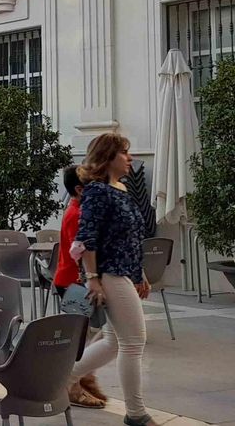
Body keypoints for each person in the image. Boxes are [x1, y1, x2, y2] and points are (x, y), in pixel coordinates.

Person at [68, 133, 154, 426]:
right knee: (133, 342)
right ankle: (136, 413)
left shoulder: (121, 189)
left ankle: (67, 377)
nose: (130, 158)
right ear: (107, 158)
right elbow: (87, 239)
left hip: (123, 272)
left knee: (114, 342)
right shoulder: (97, 192)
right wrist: (93, 279)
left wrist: (139, 273)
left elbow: (128, 239)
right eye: (124, 153)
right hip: (108, 275)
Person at [52, 165, 107, 409]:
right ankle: (75, 385)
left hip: (74, 280)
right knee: (80, 338)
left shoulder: (78, 210)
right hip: (74, 282)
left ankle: (85, 378)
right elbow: (81, 252)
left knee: (92, 334)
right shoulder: (76, 214)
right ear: (79, 189)